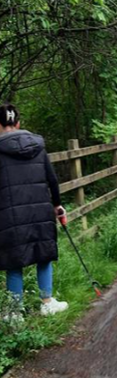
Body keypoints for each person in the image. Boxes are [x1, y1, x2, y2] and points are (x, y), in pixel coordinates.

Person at [0, 104, 68, 317]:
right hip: (41, 211)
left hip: (9, 215)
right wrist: (57, 205)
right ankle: (47, 303)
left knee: (14, 261)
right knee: (43, 254)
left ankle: (14, 313)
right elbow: (52, 179)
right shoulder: (38, 146)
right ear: (18, 123)